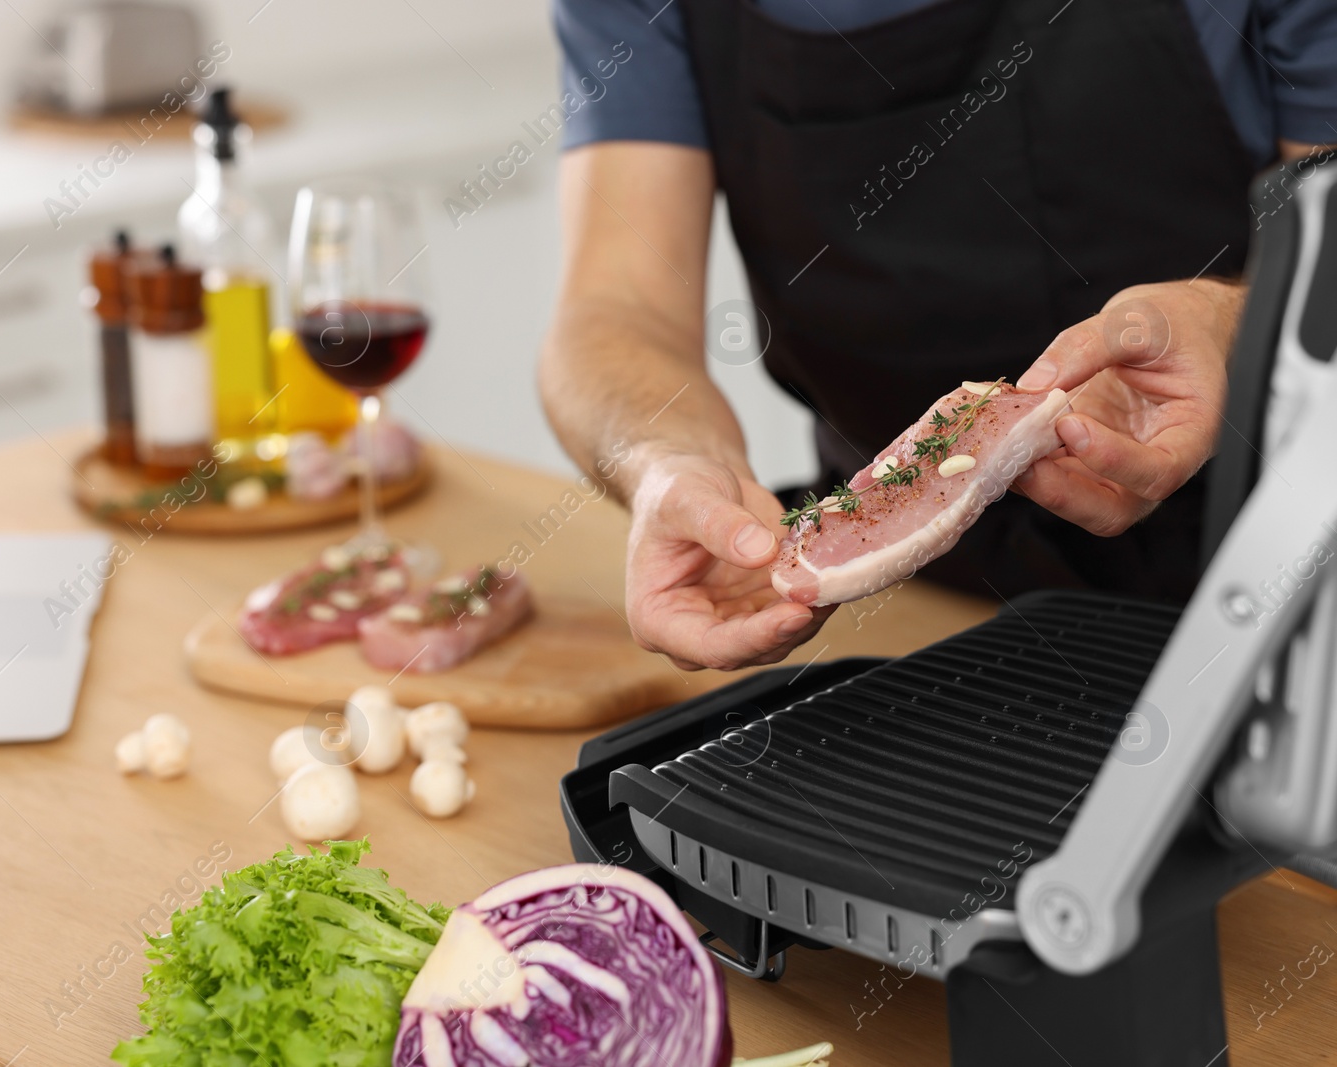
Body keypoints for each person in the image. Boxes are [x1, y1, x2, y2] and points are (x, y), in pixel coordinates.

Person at [538, 0, 1336, 670]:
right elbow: (615, 311)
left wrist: (1237, 326)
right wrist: (666, 465)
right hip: (895, 619)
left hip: (1276, 587)